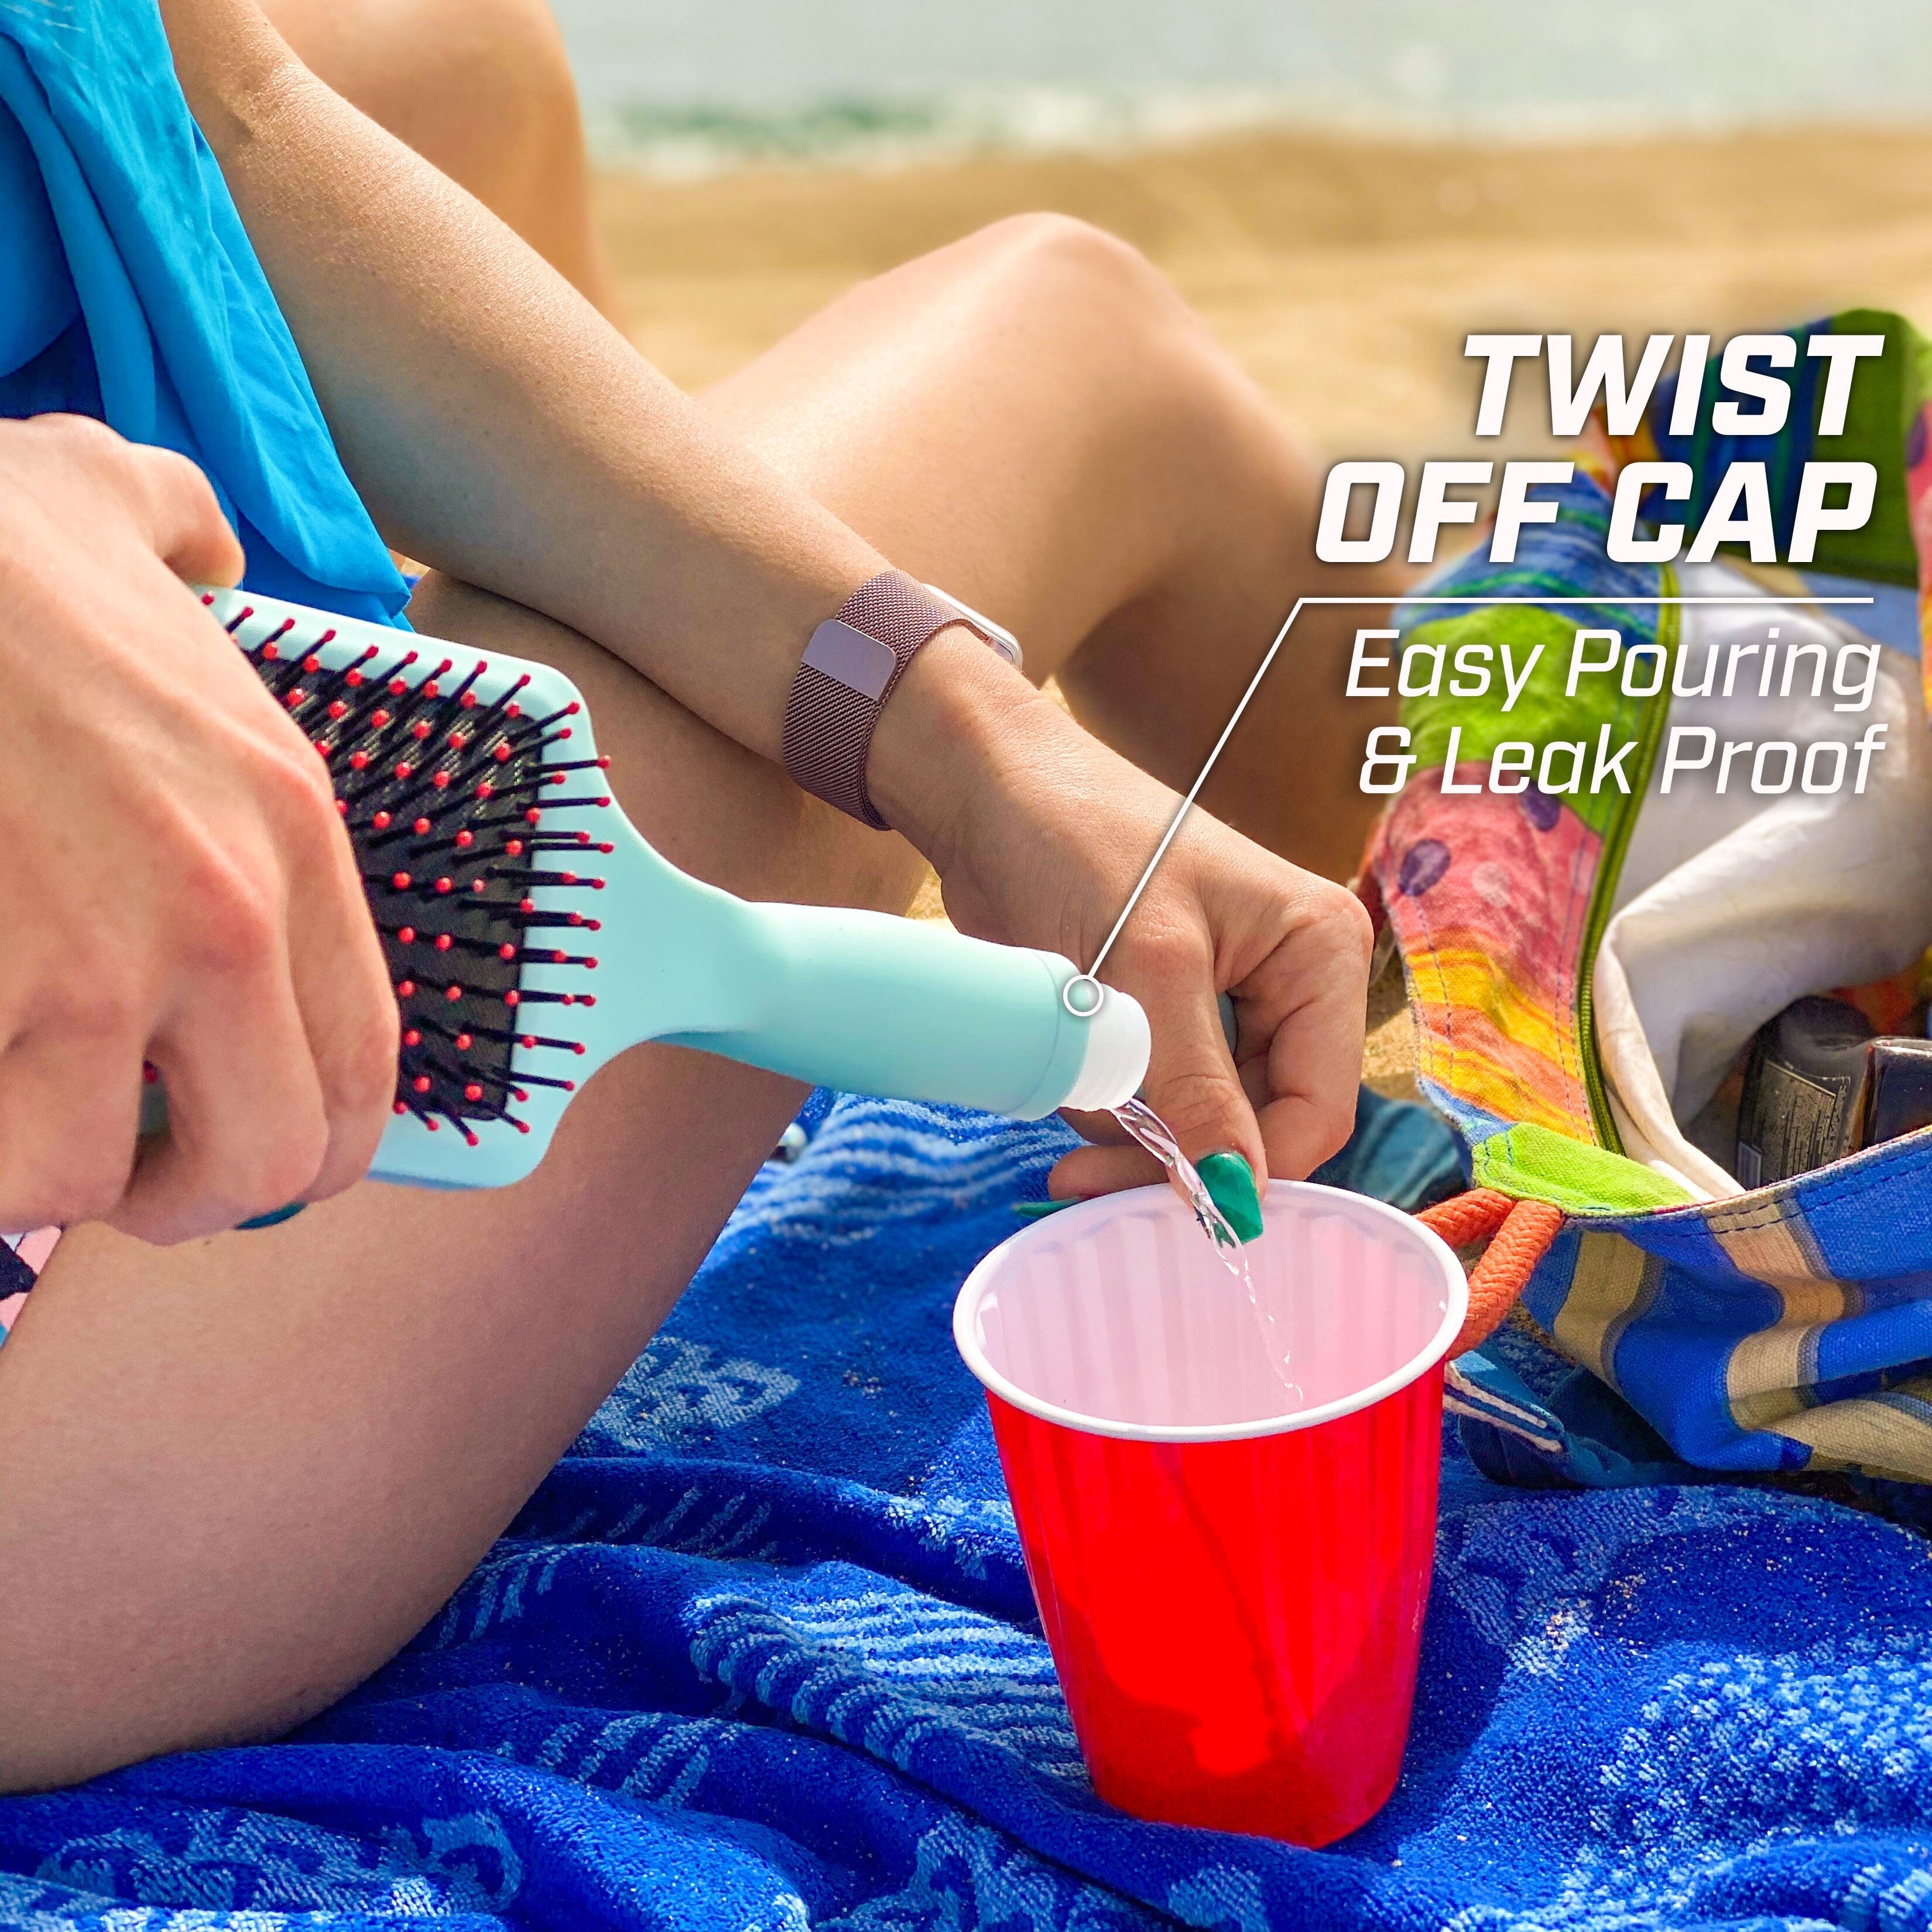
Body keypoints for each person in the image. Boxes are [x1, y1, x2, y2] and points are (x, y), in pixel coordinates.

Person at [0, 0, 1400, 1790]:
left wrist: (959, 741)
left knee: (460, 68)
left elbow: (229, 119)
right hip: (83, 1351)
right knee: (1066, 327)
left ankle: (715, 958)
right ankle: (1376, 1011)